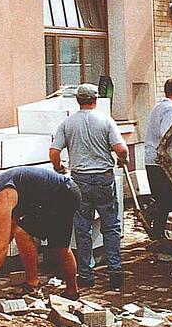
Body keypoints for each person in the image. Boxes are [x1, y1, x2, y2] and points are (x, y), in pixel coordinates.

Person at [50, 83, 130, 290]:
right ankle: (115, 271)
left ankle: (86, 274)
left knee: (82, 228)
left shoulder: (68, 123)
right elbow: (120, 148)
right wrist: (123, 158)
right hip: (103, 178)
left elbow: (54, 152)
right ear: (96, 100)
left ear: (78, 100)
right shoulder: (106, 121)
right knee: (111, 226)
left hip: (79, 180)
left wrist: (59, 167)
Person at [0, 167, 82, 299]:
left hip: (63, 195)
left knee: (56, 246)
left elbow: (2, 248)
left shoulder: (2, 196)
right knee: (47, 243)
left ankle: (38, 287)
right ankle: (61, 290)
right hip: (53, 197)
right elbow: (7, 232)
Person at [142, 77, 172, 241]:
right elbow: (166, 133)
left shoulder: (158, 107)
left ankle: (158, 232)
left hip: (151, 158)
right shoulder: (169, 109)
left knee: (162, 197)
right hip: (160, 160)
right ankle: (150, 213)